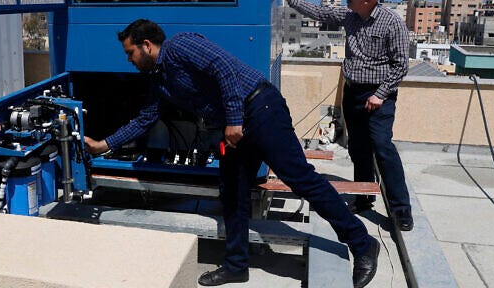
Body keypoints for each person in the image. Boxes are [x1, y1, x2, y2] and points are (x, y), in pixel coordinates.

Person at [84, 19, 379, 287]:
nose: (129, 60)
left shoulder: (180, 46)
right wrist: (103, 145)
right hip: (234, 126)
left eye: (130, 53)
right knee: (233, 191)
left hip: (260, 108)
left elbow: (222, 68)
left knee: (300, 179)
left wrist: (235, 119)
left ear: (147, 46)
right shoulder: (160, 80)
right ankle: (236, 265)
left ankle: (362, 242)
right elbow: (145, 119)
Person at [276, 0, 413, 231]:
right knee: (358, 148)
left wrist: (380, 94)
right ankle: (364, 199)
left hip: (378, 97)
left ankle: (401, 210)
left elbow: (400, 67)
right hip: (353, 94)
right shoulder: (350, 15)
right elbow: (319, 12)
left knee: (383, 148)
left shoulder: (391, 23)